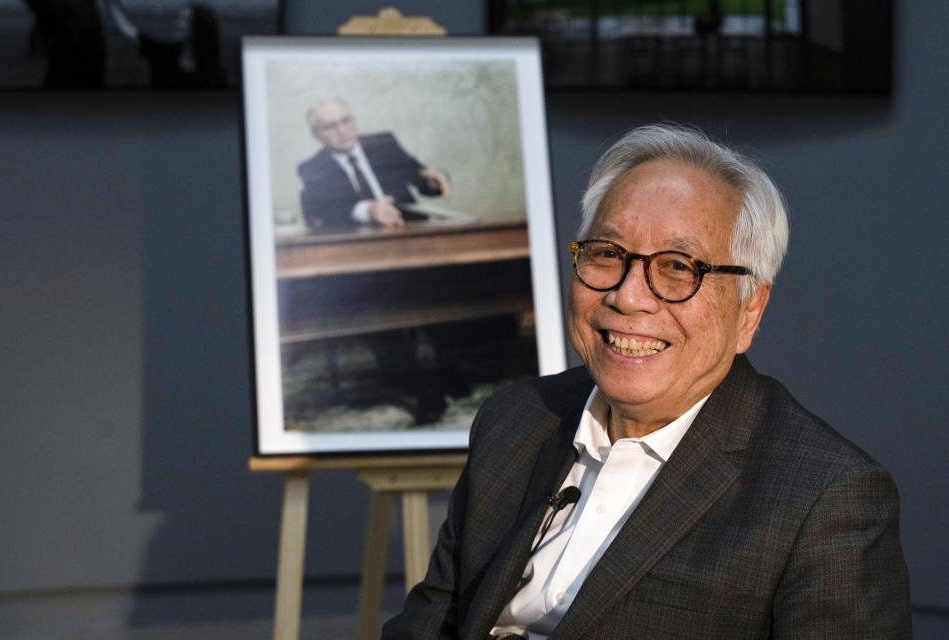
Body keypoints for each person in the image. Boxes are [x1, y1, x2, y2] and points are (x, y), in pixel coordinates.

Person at [382, 124, 911, 639]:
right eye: (608, 255)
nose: (629, 297)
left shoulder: (826, 500)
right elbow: (430, 623)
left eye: (679, 267)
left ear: (749, 310)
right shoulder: (516, 419)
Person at [297, 97, 451, 232]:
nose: (342, 131)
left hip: (408, 230)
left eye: (346, 121)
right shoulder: (313, 169)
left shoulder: (384, 145)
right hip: (356, 246)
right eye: (330, 126)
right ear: (316, 135)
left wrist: (435, 180)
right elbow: (321, 212)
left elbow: (421, 179)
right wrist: (369, 211)